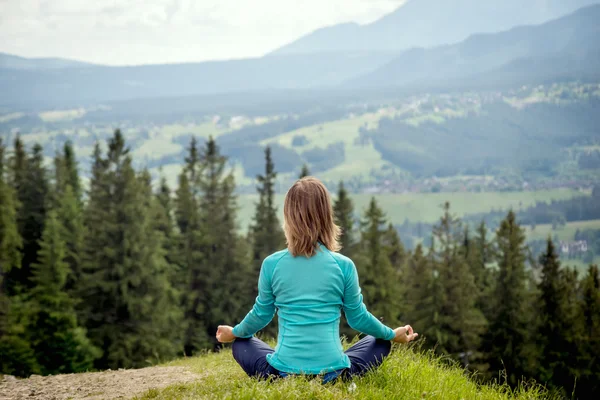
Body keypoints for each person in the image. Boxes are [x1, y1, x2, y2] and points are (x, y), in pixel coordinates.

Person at [216, 177, 418, 383]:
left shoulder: (272, 264)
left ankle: (284, 376)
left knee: (242, 343)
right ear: (326, 216)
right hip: (333, 373)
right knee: (380, 342)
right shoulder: (344, 265)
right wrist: (392, 335)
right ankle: (336, 376)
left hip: (282, 373)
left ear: (288, 217)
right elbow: (358, 318)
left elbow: (261, 314)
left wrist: (235, 332)